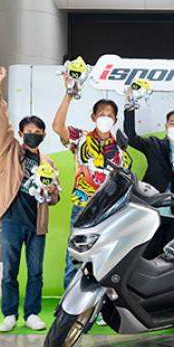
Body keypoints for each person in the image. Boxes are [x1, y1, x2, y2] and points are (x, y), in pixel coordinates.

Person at [0, 66, 60, 333]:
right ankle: (9, 314)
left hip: (37, 224)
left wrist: (50, 190)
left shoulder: (48, 163)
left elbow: (55, 197)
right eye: (28, 130)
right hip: (12, 220)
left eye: (37, 131)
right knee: (9, 270)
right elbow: (0, 123)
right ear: (20, 133)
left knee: (36, 272)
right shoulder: (8, 151)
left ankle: (31, 313)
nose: (33, 133)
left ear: (43, 135)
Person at [52, 73, 132, 290]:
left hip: (109, 211)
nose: (105, 118)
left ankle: (97, 300)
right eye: (101, 114)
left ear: (115, 120)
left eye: (109, 115)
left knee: (103, 257)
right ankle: (70, 300)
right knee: (75, 256)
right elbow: (58, 127)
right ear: (93, 117)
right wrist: (69, 94)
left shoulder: (120, 148)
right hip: (83, 206)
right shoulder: (81, 139)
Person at [123, 87, 174, 259]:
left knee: (170, 259)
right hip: (152, 212)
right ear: (166, 126)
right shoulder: (154, 144)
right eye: (172, 123)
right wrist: (129, 108)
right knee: (147, 256)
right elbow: (131, 136)